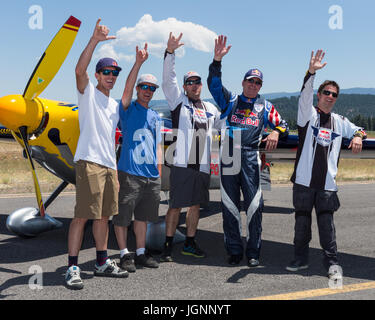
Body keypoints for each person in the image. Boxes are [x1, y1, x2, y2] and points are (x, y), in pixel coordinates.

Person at [207, 35, 289, 267]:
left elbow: (284, 125)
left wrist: (275, 132)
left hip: (252, 156)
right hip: (229, 155)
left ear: (260, 86)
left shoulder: (265, 106)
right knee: (230, 205)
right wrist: (217, 61)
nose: (253, 85)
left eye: (257, 83)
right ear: (243, 83)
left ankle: (253, 252)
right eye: (250, 81)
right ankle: (234, 250)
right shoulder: (230, 100)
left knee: (254, 206)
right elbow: (213, 84)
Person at [286, 50, 366, 280]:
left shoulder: (340, 122)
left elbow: (357, 129)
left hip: (327, 185)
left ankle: (332, 263)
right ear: (319, 95)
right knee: (301, 224)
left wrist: (359, 136)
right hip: (303, 182)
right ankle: (300, 259)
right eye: (326, 92)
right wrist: (311, 72)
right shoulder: (307, 115)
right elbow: (304, 94)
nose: (330, 96)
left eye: (334, 94)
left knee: (326, 227)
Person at [65, 19, 128, 290]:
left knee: (104, 217)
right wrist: (94, 40)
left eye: (115, 73)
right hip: (89, 162)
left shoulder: (114, 105)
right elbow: (79, 70)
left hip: (108, 166)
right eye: (106, 72)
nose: (111, 76)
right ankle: (72, 267)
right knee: (82, 216)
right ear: (98, 74)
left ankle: (101, 262)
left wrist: (137, 64)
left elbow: (127, 94)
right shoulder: (88, 93)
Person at [160, 32, 222, 262]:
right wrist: (170, 53)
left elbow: (226, 124)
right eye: (190, 82)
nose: (194, 85)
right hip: (182, 164)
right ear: (185, 87)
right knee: (175, 206)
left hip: (202, 167)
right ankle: (167, 245)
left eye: (197, 82)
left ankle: (189, 243)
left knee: (195, 206)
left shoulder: (210, 108)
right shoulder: (178, 101)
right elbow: (168, 80)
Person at [112, 43, 162, 272]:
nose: (147, 91)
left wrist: (158, 171)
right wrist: (138, 63)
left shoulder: (155, 115)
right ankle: (124, 254)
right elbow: (126, 90)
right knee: (123, 216)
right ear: (139, 88)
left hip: (150, 175)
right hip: (129, 173)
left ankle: (141, 252)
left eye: (152, 88)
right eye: (144, 87)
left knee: (142, 217)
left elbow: (157, 146)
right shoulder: (128, 109)